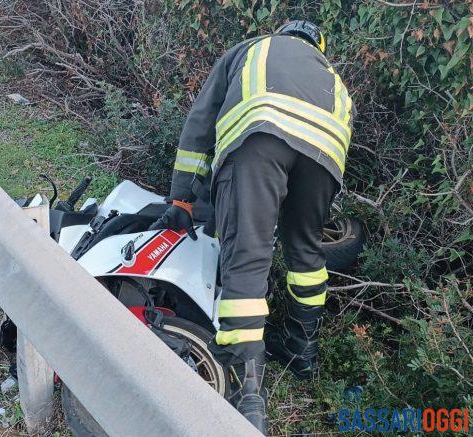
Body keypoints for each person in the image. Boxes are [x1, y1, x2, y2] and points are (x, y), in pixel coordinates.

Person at [149, 20, 354, 434]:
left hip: (261, 137)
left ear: (281, 33)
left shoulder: (253, 48)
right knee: (306, 254)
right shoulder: (331, 76)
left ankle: (248, 396)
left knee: (247, 257)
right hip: (325, 156)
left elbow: (200, 122)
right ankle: (301, 351)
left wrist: (182, 198)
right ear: (318, 45)